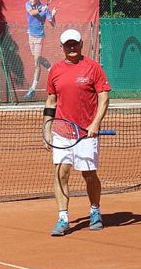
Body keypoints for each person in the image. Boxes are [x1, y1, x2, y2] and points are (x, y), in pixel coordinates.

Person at [44, 28, 111, 236]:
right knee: (61, 172)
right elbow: (51, 101)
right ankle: (63, 218)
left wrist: (95, 123)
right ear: (62, 47)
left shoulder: (93, 68)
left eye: (75, 43)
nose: (71, 47)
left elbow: (104, 97)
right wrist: (47, 129)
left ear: (81, 44)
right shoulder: (55, 70)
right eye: (68, 44)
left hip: (86, 133)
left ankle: (95, 211)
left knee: (89, 175)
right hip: (62, 131)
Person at [23, 0, 58, 100]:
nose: (30, 0)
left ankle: (32, 89)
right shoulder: (28, 4)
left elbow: (52, 24)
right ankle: (51, 69)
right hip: (30, 35)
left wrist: (52, 15)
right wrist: (40, 9)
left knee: (37, 62)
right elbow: (32, 13)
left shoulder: (45, 9)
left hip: (39, 37)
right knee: (36, 58)